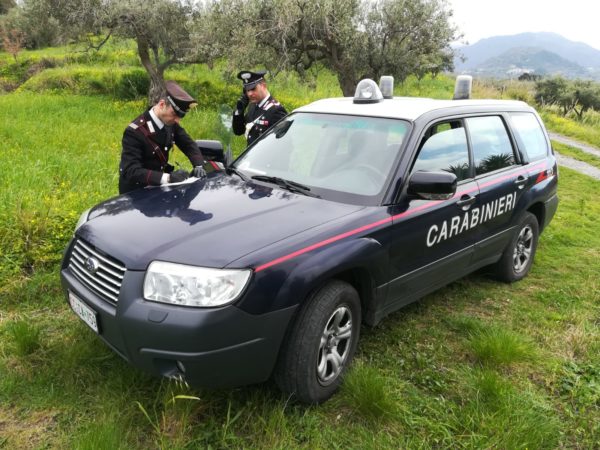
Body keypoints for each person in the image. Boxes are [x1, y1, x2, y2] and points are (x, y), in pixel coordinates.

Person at [119, 81, 207, 194]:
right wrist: (168, 178)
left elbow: (188, 144)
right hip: (136, 192)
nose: (177, 120)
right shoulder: (135, 131)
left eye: (179, 117)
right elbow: (131, 171)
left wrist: (199, 165)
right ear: (161, 105)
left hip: (157, 189)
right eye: (174, 114)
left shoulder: (169, 122)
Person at [232, 70, 287, 147]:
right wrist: (239, 111)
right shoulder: (253, 106)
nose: (250, 94)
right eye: (247, 90)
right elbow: (238, 131)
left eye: (253, 89)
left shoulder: (276, 110)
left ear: (263, 86)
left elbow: (284, 142)